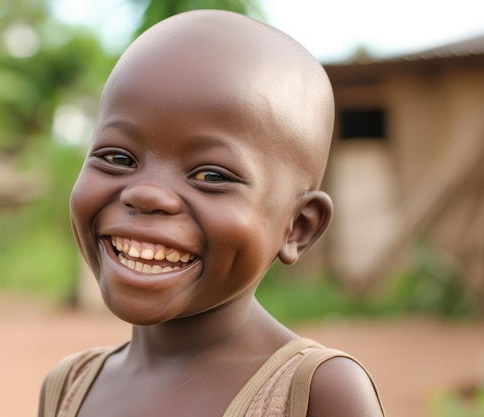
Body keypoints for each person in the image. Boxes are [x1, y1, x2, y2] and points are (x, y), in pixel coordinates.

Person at [39, 9, 385, 417]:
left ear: (298, 227)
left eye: (211, 175)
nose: (146, 194)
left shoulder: (316, 393)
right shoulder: (68, 388)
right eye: (117, 156)